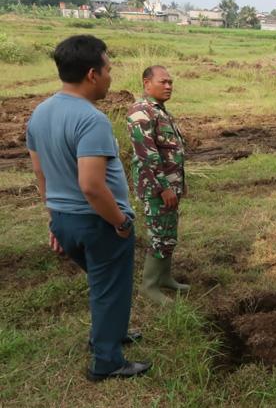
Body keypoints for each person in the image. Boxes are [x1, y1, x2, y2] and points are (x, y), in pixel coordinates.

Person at [26, 35, 151, 381]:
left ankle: (110, 335)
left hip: (65, 220)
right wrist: (121, 222)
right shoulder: (90, 119)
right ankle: (106, 361)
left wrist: (54, 221)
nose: (112, 76)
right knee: (109, 285)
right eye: (109, 69)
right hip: (97, 221)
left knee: (104, 284)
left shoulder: (39, 114)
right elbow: (91, 185)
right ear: (93, 74)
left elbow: (41, 174)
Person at [127, 65, 189, 304]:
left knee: (168, 232)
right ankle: (149, 285)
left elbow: (171, 151)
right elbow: (148, 156)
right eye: (163, 82)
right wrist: (163, 188)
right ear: (146, 83)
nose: (168, 86)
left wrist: (176, 185)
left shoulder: (159, 111)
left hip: (169, 187)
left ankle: (164, 278)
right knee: (159, 235)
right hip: (156, 189)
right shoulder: (141, 112)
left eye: (170, 82)